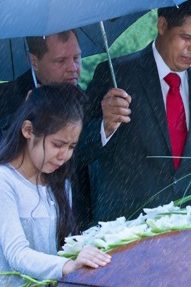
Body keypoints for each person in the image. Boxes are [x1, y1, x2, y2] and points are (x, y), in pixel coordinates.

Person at [76, 0, 191, 224]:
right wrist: (104, 127)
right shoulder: (115, 76)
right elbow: (77, 152)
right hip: (125, 234)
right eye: (187, 36)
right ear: (162, 25)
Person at [0, 84, 110, 286]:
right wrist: (67, 266)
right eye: (57, 145)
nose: (64, 155)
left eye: (71, 147)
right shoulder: (4, 181)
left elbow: (64, 244)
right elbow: (17, 253)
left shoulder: (58, 179)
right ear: (28, 130)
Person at [0, 30, 81, 134]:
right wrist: (24, 116)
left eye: (76, 57)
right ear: (33, 62)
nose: (73, 68)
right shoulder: (4, 98)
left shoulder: (84, 99)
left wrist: (106, 129)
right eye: (61, 61)